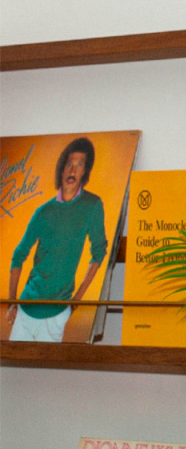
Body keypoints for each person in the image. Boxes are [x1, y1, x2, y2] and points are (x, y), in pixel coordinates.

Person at [7, 136, 108, 342]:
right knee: (11, 363)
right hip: (26, 309)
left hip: (57, 315)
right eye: (69, 164)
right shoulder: (43, 212)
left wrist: (77, 299)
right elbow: (18, 255)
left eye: (80, 165)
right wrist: (12, 302)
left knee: (49, 365)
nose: (73, 171)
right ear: (61, 169)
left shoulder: (92, 205)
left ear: (85, 171)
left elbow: (99, 251)